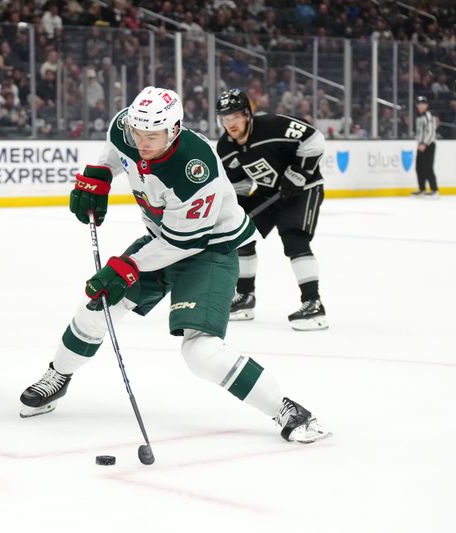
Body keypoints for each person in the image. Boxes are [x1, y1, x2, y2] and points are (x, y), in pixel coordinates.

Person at [18, 86, 330, 444]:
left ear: (175, 129)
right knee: (95, 308)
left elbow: (183, 242)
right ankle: (58, 376)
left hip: (208, 249)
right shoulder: (127, 128)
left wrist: (126, 267)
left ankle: (287, 410)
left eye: (153, 136)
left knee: (201, 353)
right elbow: (116, 148)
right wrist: (99, 174)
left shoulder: (195, 169)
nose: (143, 143)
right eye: (139, 133)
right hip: (161, 239)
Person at [215, 88, 327, 331]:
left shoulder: (273, 126)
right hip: (270, 191)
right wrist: (235, 215)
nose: (230, 123)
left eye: (235, 117)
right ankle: (245, 298)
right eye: (226, 119)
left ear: (247, 114)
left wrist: (299, 172)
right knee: (242, 234)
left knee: (294, 237)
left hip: (305, 187)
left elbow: (314, 139)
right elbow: (239, 185)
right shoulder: (225, 147)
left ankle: (313, 303)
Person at [412, 95, 438, 197]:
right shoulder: (418, 117)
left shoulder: (428, 116)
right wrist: (419, 142)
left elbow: (431, 132)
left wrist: (425, 144)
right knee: (419, 168)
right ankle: (422, 188)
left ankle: (434, 189)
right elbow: (419, 132)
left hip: (429, 145)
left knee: (428, 168)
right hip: (421, 145)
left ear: (426, 105)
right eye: (419, 104)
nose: (420, 106)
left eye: (423, 104)